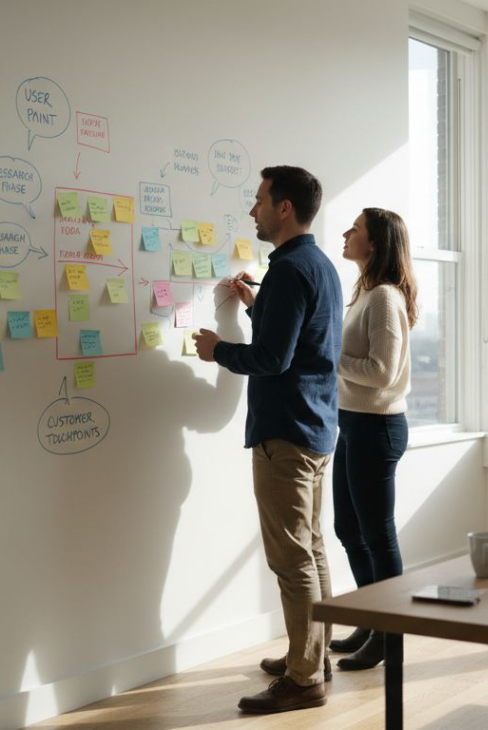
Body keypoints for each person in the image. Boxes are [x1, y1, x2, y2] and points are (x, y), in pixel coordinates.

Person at [193, 166, 342, 713]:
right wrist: (260, 307)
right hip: (315, 426)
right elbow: (300, 341)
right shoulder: (318, 265)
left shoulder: (288, 269)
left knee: (292, 558)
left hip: (287, 432)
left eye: (259, 201)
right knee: (312, 549)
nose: (252, 210)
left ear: (284, 208)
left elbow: (271, 359)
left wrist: (218, 351)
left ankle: (305, 679)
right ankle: (314, 655)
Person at [328, 208, 418, 671]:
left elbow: (381, 374)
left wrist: (329, 358)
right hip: (354, 423)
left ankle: (390, 634)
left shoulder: (384, 297)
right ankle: (372, 617)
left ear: (376, 243)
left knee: (377, 535)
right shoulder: (364, 291)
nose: (345, 234)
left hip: (377, 427)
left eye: (355, 229)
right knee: (349, 529)